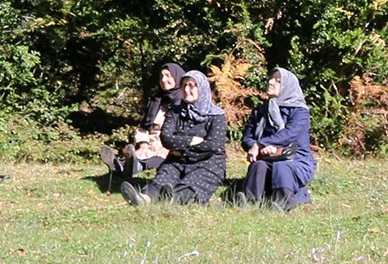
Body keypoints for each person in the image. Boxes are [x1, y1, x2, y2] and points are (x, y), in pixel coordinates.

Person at [122, 69, 226, 206]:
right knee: (163, 177)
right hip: (177, 160)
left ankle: (170, 201)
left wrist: (182, 150)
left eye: (191, 85)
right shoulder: (175, 111)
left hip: (207, 162)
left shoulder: (216, 115)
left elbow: (213, 145)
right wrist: (191, 141)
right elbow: (166, 138)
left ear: (202, 88)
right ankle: (143, 199)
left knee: (193, 183)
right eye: (184, 86)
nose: (187, 90)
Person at [238, 67, 316, 209]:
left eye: (278, 81)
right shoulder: (260, 111)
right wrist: (259, 147)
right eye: (271, 78)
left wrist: (262, 143)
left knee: (282, 167)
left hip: (294, 159)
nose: (271, 82)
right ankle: (248, 202)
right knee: (258, 166)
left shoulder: (300, 112)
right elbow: (246, 138)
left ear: (288, 87)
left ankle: (283, 203)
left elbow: (290, 134)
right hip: (266, 159)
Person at [101, 62, 185, 183]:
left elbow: (184, 130)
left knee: (159, 156)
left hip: (169, 145)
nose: (164, 79)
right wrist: (143, 144)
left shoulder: (183, 102)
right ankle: (123, 166)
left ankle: (125, 167)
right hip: (151, 143)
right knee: (142, 153)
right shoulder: (156, 100)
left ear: (177, 77)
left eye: (168, 75)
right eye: (161, 76)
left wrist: (167, 145)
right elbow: (143, 127)